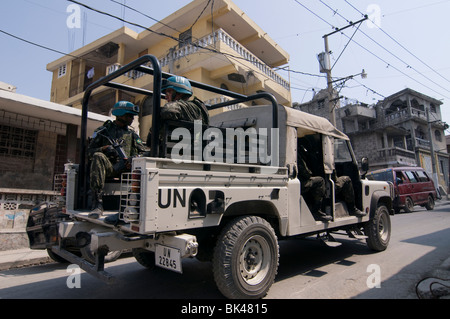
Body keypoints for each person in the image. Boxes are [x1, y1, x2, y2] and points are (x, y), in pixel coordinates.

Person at [87, 101, 147, 221]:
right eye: (129, 116)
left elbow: (143, 152)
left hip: (127, 168)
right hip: (109, 168)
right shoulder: (103, 131)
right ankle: (97, 203)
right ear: (120, 115)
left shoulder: (132, 134)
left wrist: (133, 159)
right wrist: (104, 149)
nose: (132, 118)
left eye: (132, 116)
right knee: (98, 156)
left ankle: (134, 205)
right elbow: (90, 152)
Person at [146, 76, 209, 150]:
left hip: (185, 153)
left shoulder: (192, 107)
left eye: (169, 92)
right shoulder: (183, 109)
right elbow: (149, 143)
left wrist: (158, 121)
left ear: (179, 93)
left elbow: (168, 110)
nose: (166, 97)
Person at [297, 147, 332, 222]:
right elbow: (306, 173)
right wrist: (310, 173)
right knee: (320, 181)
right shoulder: (297, 154)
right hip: (300, 183)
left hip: (295, 182)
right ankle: (316, 211)